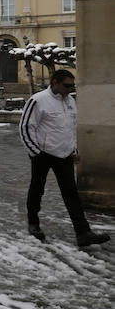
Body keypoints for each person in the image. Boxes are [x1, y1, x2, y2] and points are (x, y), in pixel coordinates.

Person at [19, 69, 109, 247]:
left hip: (65, 155)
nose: (71, 88)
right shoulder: (38, 100)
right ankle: (33, 223)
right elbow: (25, 127)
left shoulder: (70, 101)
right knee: (37, 189)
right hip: (42, 154)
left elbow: (70, 128)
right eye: (67, 85)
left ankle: (83, 233)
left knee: (71, 193)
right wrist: (35, 152)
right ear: (55, 83)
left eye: (72, 85)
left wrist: (74, 149)